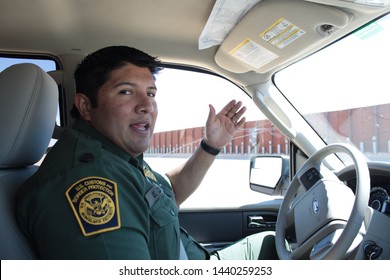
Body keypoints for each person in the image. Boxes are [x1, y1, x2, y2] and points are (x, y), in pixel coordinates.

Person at [16, 46, 278, 260]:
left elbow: (168, 193)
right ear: (85, 106)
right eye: (126, 92)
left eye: (151, 93)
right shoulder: (89, 181)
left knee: (270, 242)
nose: (146, 106)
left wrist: (211, 145)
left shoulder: (116, 156)